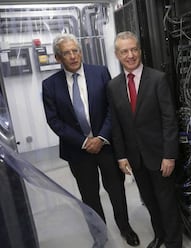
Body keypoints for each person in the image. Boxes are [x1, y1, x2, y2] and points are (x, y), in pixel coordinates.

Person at [42, 33, 140, 247]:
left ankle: (125, 228)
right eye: (66, 53)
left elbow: (111, 109)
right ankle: (99, 235)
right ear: (58, 58)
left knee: (116, 190)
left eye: (75, 51)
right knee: (89, 196)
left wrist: (101, 137)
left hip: (105, 146)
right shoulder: (50, 85)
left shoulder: (100, 73)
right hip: (78, 151)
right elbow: (54, 121)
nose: (73, 56)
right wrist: (84, 142)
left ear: (81, 52)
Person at [107, 31, 182, 248]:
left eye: (134, 49)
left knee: (166, 203)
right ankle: (160, 236)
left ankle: (174, 243)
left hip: (160, 156)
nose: (130, 55)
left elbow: (169, 120)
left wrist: (169, 155)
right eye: (124, 51)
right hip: (135, 158)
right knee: (150, 201)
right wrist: (121, 156)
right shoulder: (113, 87)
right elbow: (117, 125)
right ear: (117, 55)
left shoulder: (157, 79)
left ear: (139, 50)